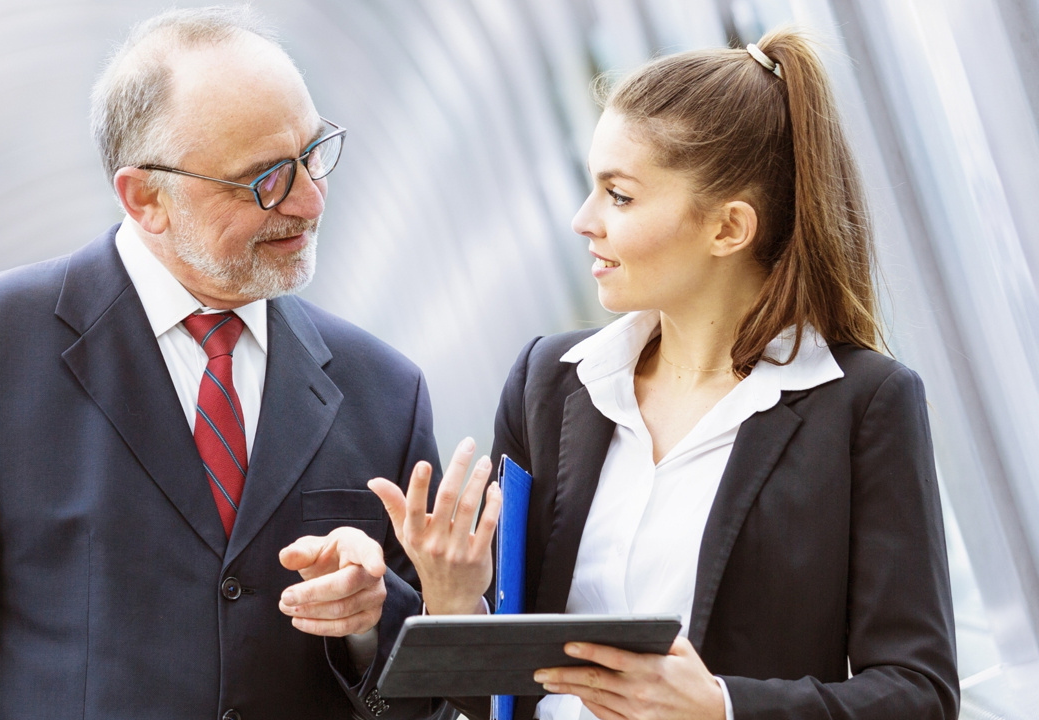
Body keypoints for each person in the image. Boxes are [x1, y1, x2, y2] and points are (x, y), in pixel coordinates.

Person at [0, 7, 445, 720]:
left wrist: (370, 623)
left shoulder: (386, 392)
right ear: (145, 197)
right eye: (265, 178)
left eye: (313, 152)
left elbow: (437, 695)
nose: (310, 199)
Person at [369, 29, 959, 720]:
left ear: (728, 229)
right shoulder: (549, 385)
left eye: (618, 196)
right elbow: (502, 693)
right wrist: (454, 600)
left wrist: (721, 708)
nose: (583, 220)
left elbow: (919, 694)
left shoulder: (862, 405)